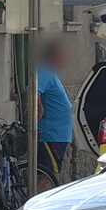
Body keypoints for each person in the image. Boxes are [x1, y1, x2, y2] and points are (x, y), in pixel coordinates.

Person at [33, 37, 72, 192]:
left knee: (51, 173)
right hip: (51, 135)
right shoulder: (46, 72)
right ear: (53, 55)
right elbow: (34, 90)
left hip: (57, 135)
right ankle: (36, 203)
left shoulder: (50, 73)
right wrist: (38, 107)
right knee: (51, 174)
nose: (66, 58)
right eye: (62, 54)